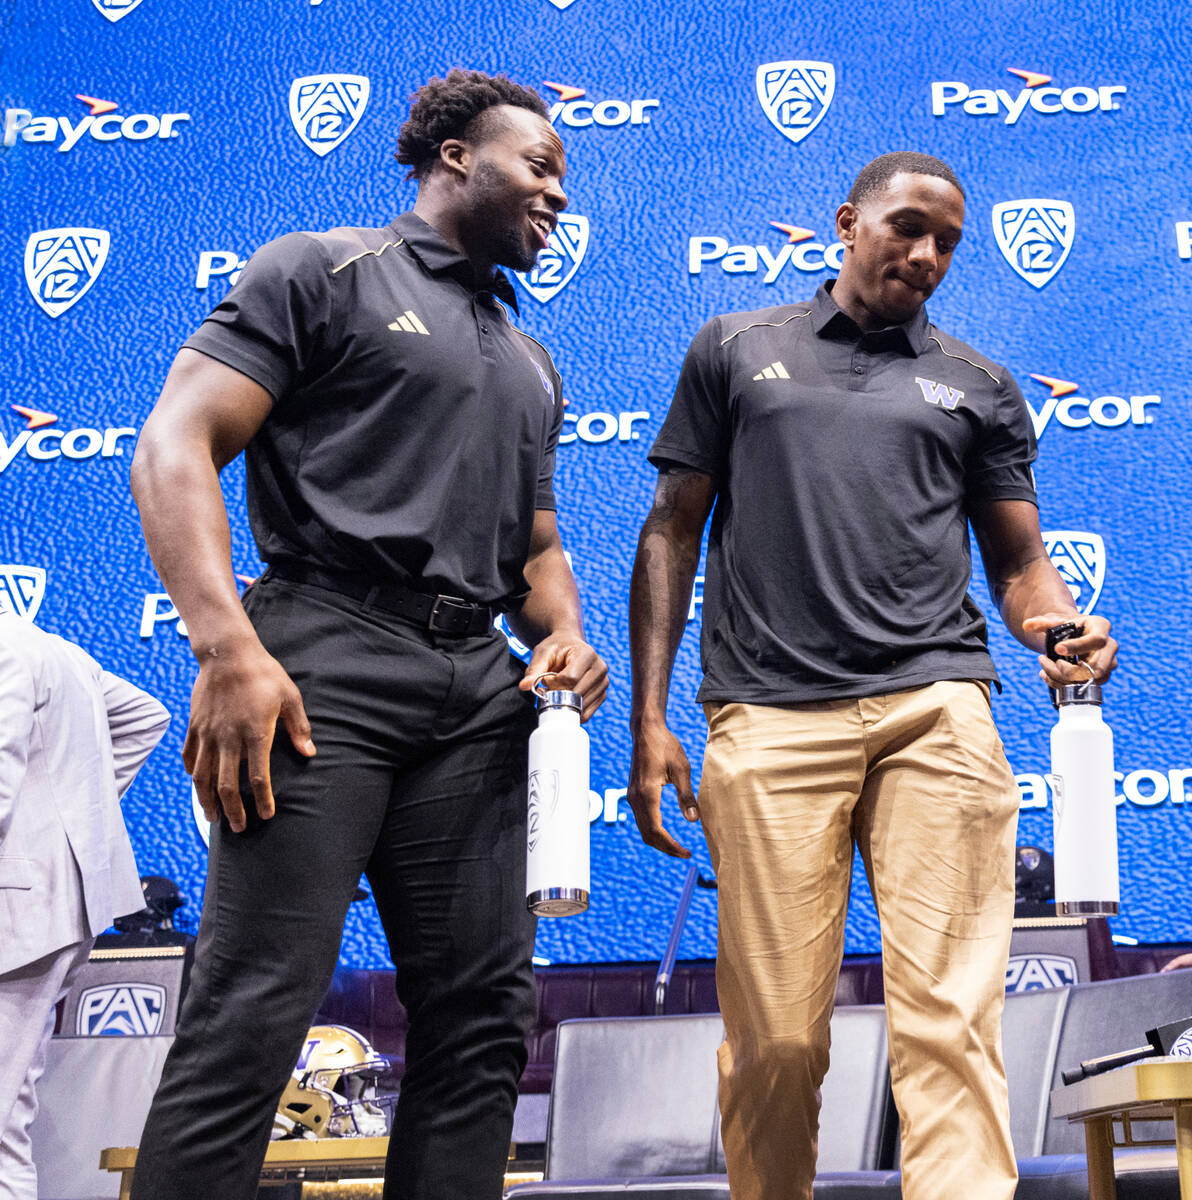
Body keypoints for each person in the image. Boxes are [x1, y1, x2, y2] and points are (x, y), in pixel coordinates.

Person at [129, 70, 607, 1200]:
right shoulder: (324, 269)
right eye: (538, 166)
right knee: (255, 1003)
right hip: (322, 660)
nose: (557, 195)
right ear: (453, 157)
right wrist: (226, 649)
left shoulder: (529, 359)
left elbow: (534, 548)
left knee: (486, 1016)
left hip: (473, 691)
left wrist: (570, 631)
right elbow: (174, 445)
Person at [627, 151, 1118, 1200]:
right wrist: (649, 716)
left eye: (946, 241)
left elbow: (1020, 564)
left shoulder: (979, 384)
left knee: (947, 1024)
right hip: (764, 718)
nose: (926, 254)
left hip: (937, 709)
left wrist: (1056, 624)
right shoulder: (734, 349)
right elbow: (669, 532)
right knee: (776, 1046)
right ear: (847, 221)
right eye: (905, 228)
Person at [0, 613, 169, 1200]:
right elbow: (147, 717)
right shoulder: (60, 650)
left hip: (17, 915)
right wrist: (71, 825)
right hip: (53, 911)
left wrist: (56, 826)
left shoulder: (6, 648)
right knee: (7, 1131)